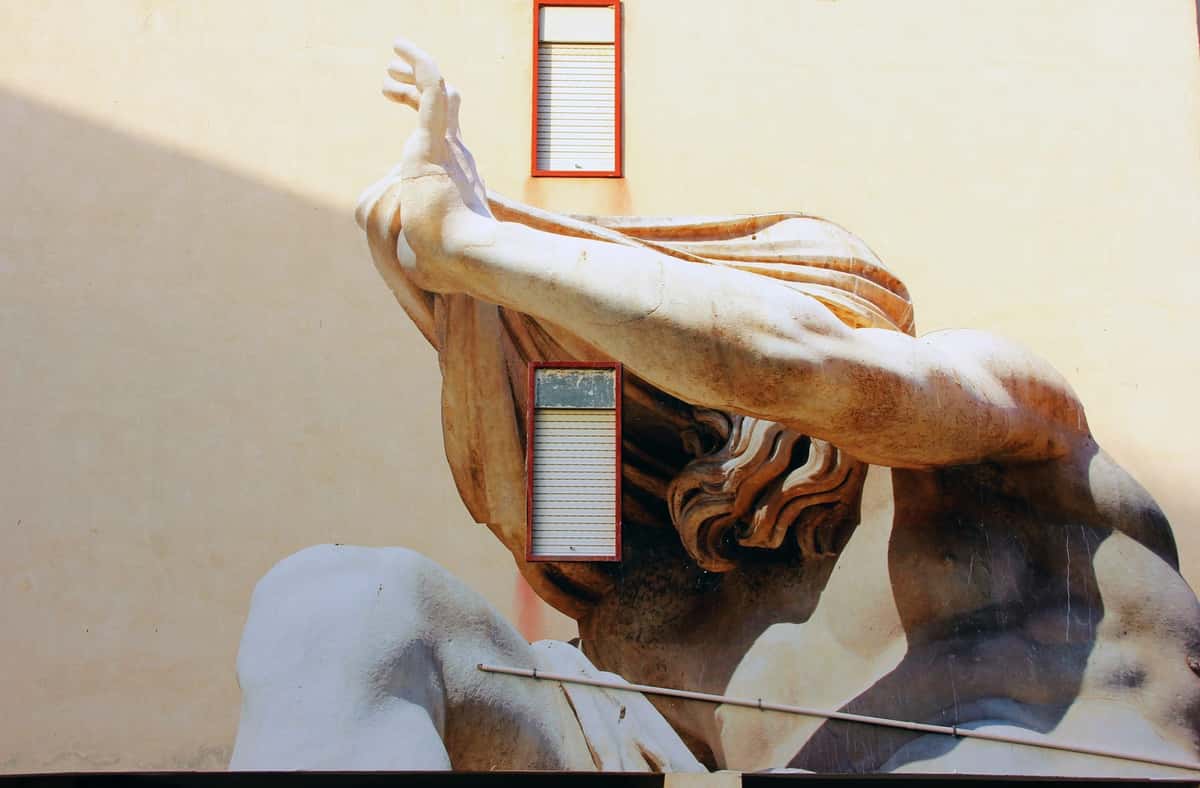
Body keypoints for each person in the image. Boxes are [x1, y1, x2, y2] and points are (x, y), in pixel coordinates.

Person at [231, 40, 1200, 775]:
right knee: (344, 598)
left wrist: (478, 248)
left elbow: (806, 364)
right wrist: (460, 276)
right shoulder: (661, 591)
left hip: (1051, 760)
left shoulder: (999, 442)